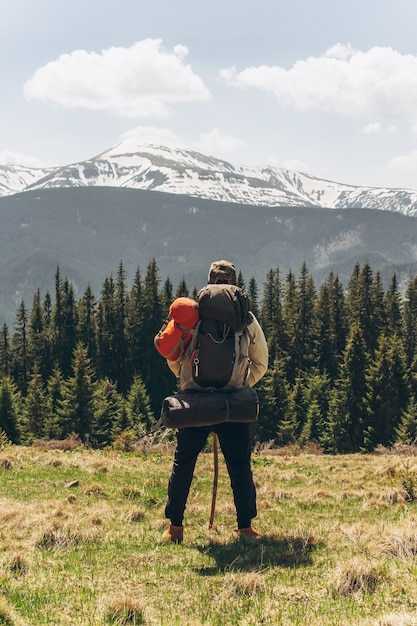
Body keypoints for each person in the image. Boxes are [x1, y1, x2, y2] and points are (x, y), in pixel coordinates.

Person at [162, 260, 268, 544]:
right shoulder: (246, 318)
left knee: (183, 463)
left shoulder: (192, 315)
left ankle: (175, 529)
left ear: (209, 282)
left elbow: (173, 355)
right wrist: (240, 384)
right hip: (232, 403)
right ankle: (245, 528)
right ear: (235, 283)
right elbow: (261, 362)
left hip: (193, 403)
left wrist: (187, 383)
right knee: (240, 465)